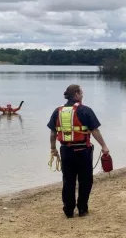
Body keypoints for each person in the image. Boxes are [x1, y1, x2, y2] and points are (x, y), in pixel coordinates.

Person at [47, 84, 110, 218]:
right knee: (85, 180)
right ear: (76, 94)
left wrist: (53, 149)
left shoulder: (57, 111)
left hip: (66, 151)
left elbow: (53, 134)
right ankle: (82, 209)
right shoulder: (85, 110)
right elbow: (95, 131)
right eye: (81, 93)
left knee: (68, 181)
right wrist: (104, 146)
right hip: (83, 151)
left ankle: (68, 210)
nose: (82, 95)